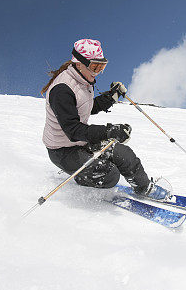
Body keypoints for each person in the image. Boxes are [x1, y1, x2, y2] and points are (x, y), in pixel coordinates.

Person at [41, 38, 168, 198]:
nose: (98, 72)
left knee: (124, 154)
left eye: (102, 66)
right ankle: (82, 179)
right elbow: (72, 130)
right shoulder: (62, 90)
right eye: (95, 66)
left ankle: (144, 188)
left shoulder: (83, 80)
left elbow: (87, 107)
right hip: (62, 151)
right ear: (79, 63)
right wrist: (109, 131)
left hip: (80, 142)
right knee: (109, 174)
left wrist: (112, 97)